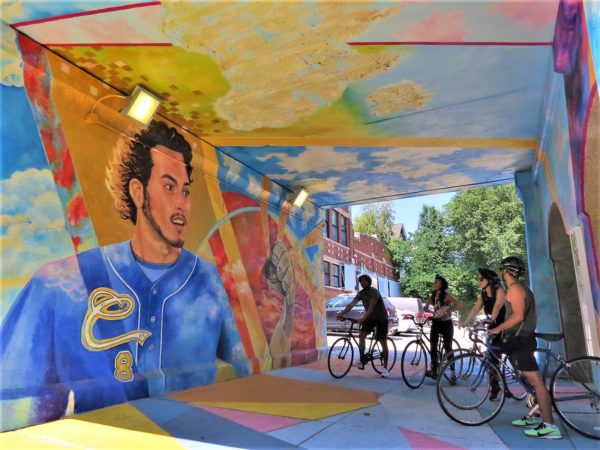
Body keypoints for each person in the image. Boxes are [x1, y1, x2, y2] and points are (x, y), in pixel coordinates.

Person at [0, 120, 250, 431]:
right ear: (138, 191)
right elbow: (15, 404)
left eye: (185, 191)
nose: (181, 204)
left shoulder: (210, 282)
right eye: (169, 187)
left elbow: (246, 373)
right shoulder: (59, 284)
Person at [488, 256, 561, 439]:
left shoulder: (515, 289)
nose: (501, 272)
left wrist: (497, 328)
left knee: (536, 381)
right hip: (519, 340)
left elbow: (518, 316)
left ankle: (550, 426)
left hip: (522, 340)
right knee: (525, 377)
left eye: (502, 269)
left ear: (505, 271)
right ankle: (536, 414)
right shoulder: (521, 288)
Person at [460, 268, 506, 400]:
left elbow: (497, 307)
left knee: (495, 357)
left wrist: (492, 318)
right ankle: (495, 385)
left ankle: (500, 384)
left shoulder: (499, 290)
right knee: (491, 358)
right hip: (492, 328)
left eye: (481, 279)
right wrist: (466, 321)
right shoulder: (483, 294)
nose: (478, 281)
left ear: (490, 280)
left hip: (502, 327)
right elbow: (475, 308)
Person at [336, 274, 390, 378]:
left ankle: (385, 368)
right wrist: (341, 314)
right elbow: (351, 305)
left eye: (364, 281)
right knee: (361, 335)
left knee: (383, 341)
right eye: (360, 282)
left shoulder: (374, 292)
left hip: (381, 318)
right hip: (370, 318)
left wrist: (363, 318)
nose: (362, 283)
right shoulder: (361, 293)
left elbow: (371, 307)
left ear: (369, 282)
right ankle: (362, 360)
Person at [423, 274, 463, 378]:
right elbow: (425, 308)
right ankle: (434, 370)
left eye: (436, 282)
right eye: (434, 282)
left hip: (446, 324)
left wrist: (449, 310)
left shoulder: (446, 295)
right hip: (436, 323)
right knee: (433, 347)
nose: (434, 283)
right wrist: (434, 313)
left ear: (441, 285)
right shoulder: (432, 296)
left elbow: (459, 305)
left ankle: (453, 374)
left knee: (448, 348)